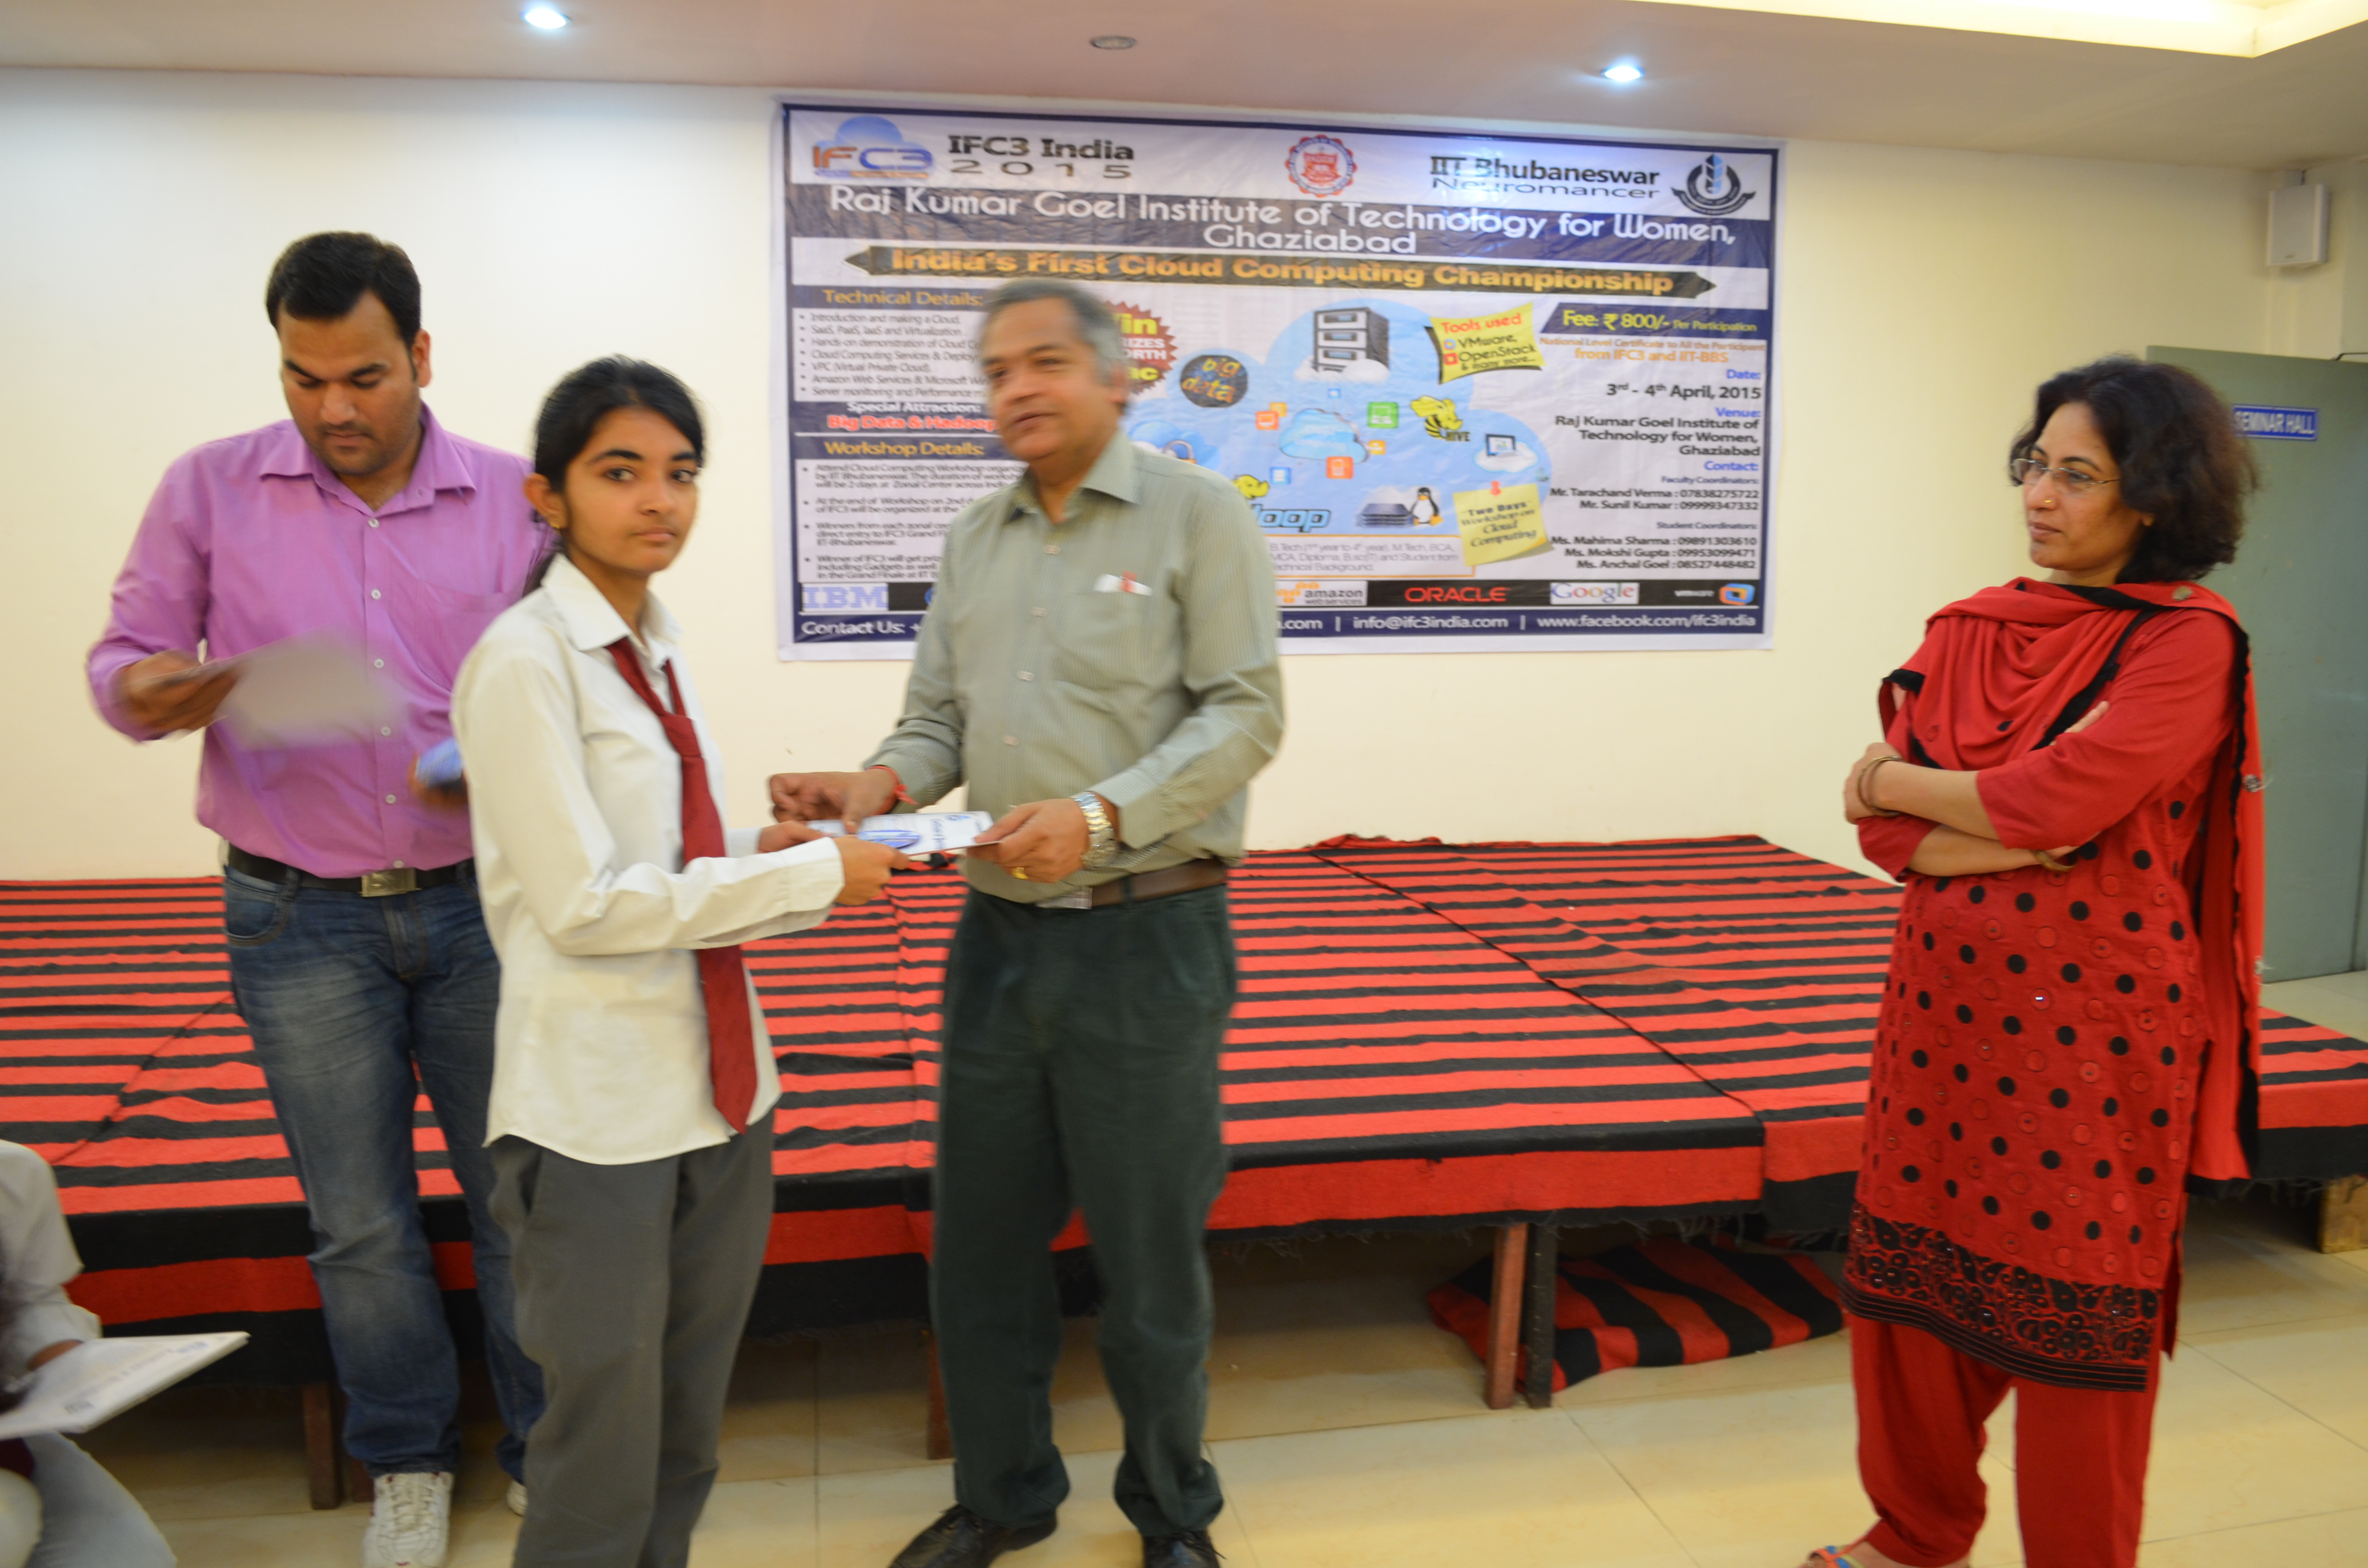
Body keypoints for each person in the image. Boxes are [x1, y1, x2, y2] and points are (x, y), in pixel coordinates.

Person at [770, 278, 1284, 1568]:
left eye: (1044, 361)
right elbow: (938, 720)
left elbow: (1245, 715)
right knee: (981, 1253)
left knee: (1149, 1264)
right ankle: (1004, 1497)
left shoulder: (1199, 518)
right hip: (996, 945)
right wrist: (876, 788)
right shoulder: (975, 540)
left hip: (1149, 941)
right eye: (997, 371)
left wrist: (1102, 819)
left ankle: (1173, 1512)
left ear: (1117, 378)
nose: (1017, 389)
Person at [84, 232, 546, 1568]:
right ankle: (406, 1462)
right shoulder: (208, 489)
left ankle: (545, 1448)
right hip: (298, 920)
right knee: (357, 1219)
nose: (333, 407)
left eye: (363, 376)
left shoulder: (518, 497)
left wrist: (510, 760)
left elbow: (573, 681)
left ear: (422, 355)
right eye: (303, 377)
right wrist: (159, 690)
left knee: (518, 1198)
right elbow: (124, 665)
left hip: (480, 908)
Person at [454, 357, 907, 1568]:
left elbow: (662, 860)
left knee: (685, 1430)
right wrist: (812, 879)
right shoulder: (525, 660)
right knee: (599, 1452)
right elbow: (584, 906)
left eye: (681, 472)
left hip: (722, 1091)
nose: (659, 499)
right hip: (599, 1114)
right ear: (547, 496)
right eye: (621, 472)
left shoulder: (654, 644)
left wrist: (775, 850)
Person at [1817, 357, 2260, 1568]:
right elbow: (1894, 838)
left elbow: (2062, 795)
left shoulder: (2189, 643)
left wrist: (1894, 777)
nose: (2041, 496)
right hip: (1940, 1021)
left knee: (2079, 1317)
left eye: (2079, 475)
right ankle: (1914, 1531)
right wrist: (1999, 825)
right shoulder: (1970, 628)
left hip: (2099, 1037)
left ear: (2154, 497)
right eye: (2035, 465)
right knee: (1906, 1291)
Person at [0, 1143, 176, 1568]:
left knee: (133, 1558)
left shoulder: (13, 1172)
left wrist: (74, 1370)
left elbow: (32, 1300)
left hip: (7, 1432)